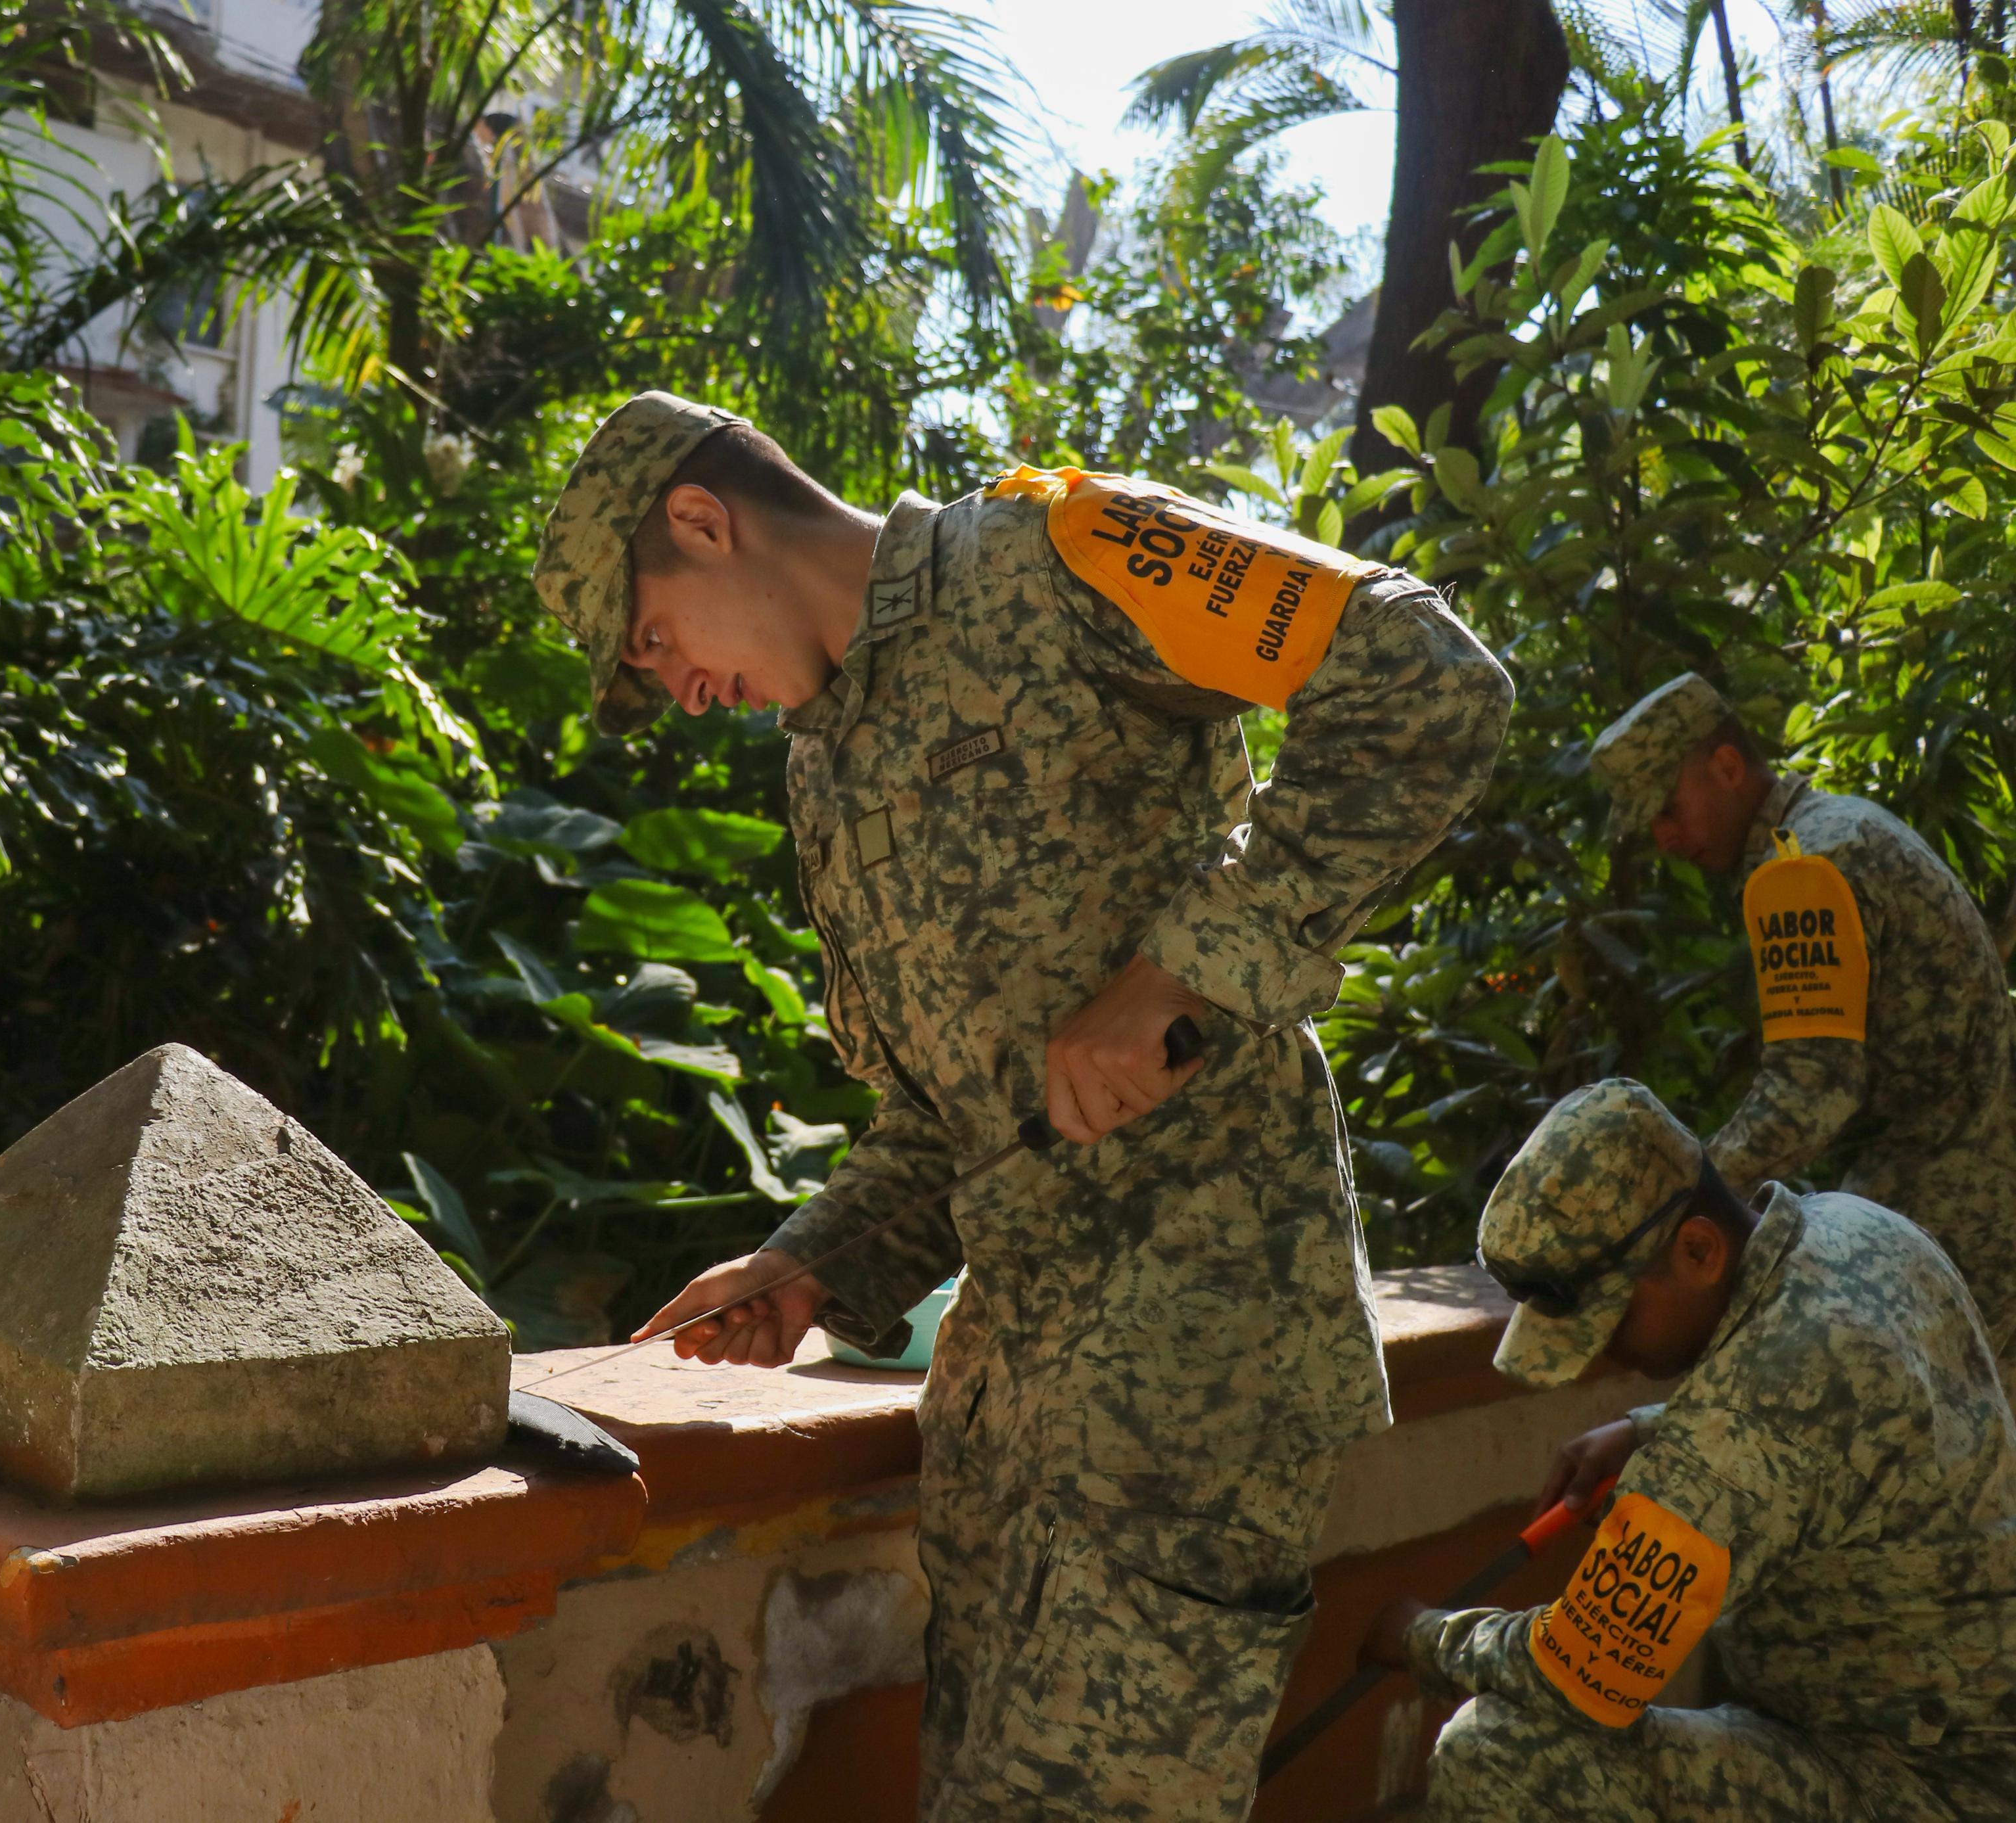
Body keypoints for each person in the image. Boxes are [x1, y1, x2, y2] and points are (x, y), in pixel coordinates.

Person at [531, 392, 1513, 1821]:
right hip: (1007, 1426)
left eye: (652, 639)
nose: (680, 691)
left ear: (701, 520)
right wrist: (809, 1266)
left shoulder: (1059, 555)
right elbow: (959, 1119)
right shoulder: (825, 765)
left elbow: (1426, 673)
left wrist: (1186, 969)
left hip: (1188, 1372)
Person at [1360, 1077, 2016, 1818]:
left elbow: (1578, 1671)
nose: (1601, 1352)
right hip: (1961, 1734)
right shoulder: (1854, 1228)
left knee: (1500, 1754)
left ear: (1699, 1249)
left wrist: (1419, 1637)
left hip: (1923, 1786)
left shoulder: (1752, 1416)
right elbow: (1834, 1403)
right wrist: (1648, 1427)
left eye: (1612, 1318)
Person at [1591, 672, 2016, 1351]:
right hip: (1979, 1208)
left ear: (1727, 766)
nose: (1663, 837)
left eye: (1668, 808)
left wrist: (1675, 1207)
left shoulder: (1804, 869)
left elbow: (1811, 1090)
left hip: (1945, 1232)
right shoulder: (1841, 825)